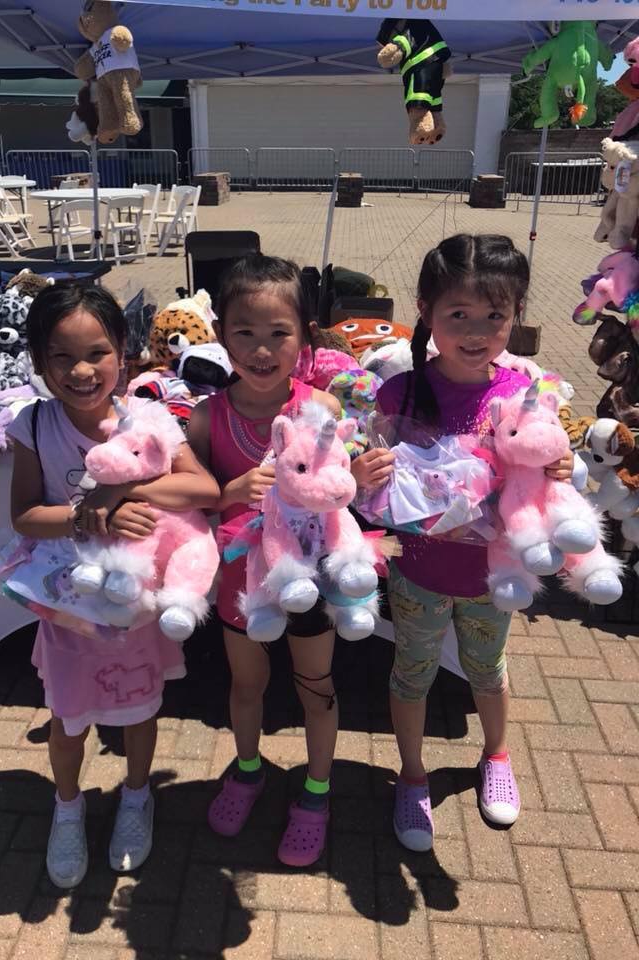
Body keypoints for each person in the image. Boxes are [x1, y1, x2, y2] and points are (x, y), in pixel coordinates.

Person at [351, 235, 573, 852]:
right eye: (458, 315)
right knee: (411, 673)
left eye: (494, 315)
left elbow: (546, 466)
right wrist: (362, 476)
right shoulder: (398, 394)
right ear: (426, 312)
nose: (477, 332)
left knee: (488, 669)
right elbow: (371, 494)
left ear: (515, 314)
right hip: (418, 572)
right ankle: (412, 775)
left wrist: (560, 468)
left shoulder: (522, 395)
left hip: (492, 576)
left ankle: (496, 755)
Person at [8, 284, 219, 888]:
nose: (81, 371)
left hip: (136, 605)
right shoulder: (34, 424)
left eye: (97, 353)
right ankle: (67, 807)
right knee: (68, 717)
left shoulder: (147, 419)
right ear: (39, 360)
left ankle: (136, 796)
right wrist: (84, 514)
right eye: (60, 357)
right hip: (71, 604)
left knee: (138, 707)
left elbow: (203, 489)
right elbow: (24, 515)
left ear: (122, 351)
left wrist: (122, 489)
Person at [188, 254, 342, 867]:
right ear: (220, 334)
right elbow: (192, 501)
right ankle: (248, 769)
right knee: (246, 684)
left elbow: (341, 493)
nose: (260, 349)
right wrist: (228, 491)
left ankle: (317, 790)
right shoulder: (208, 417)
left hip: (311, 578)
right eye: (244, 332)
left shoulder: (322, 410)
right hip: (241, 582)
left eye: (279, 333)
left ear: (304, 337)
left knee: (316, 687)